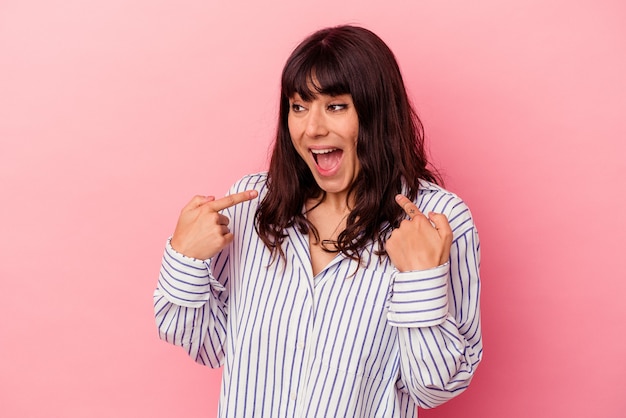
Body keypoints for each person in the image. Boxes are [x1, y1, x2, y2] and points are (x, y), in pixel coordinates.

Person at [154, 25, 482, 417]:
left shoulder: (438, 223)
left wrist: (420, 279)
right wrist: (184, 259)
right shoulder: (253, 206)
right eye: (298, 106)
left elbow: (436, 387)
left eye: (336, 105)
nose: (312, 128)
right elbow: (211, 346)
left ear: (376, 111)